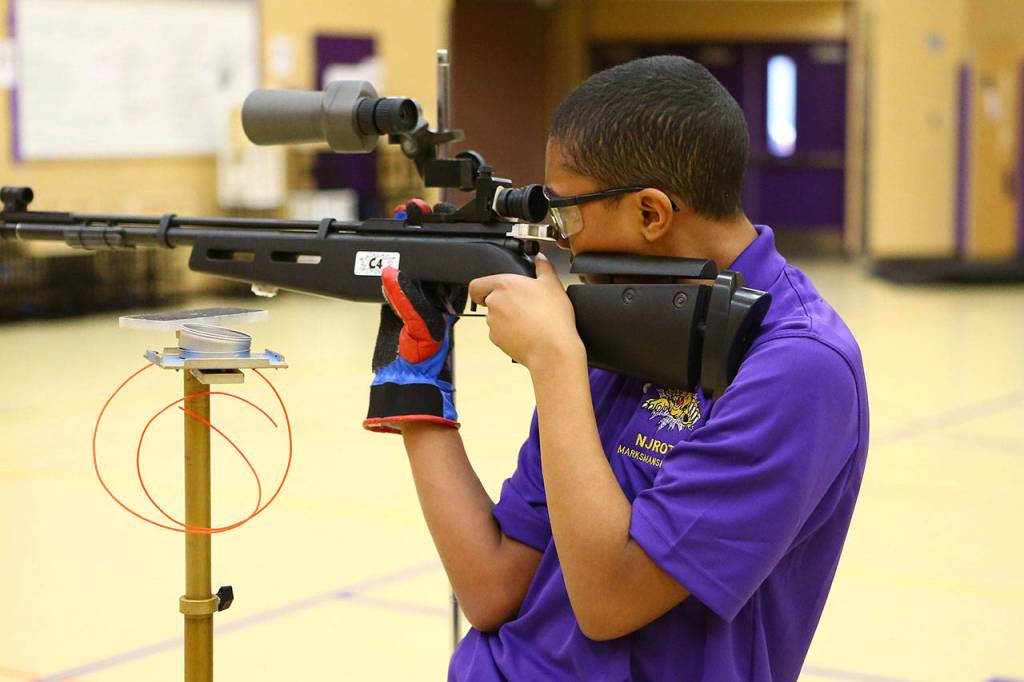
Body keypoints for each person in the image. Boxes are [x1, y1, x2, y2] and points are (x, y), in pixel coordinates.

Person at [363, 55, 870, 682]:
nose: (562, 240)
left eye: (569, 214)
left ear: (651, 213)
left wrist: (553, 360)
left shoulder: (800, 367)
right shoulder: (628, 322)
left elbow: (610, 602)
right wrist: (416, 382)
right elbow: (493, 586)